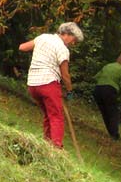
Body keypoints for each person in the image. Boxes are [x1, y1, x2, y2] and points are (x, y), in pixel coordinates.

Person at [19, 21, 83, 149]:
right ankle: (56, 148)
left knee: (48, 115)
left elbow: (22, 47)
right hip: (48, 84)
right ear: (66, 34)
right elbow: (65, 75)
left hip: (33, 84)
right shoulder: (62, 49)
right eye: (74, 40)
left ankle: (47, 144)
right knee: (57, 116)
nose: (73, 44)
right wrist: (70, 90)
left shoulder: (42, 37)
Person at [92, 52, 121, 140]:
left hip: (98, 90)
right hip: (109, 91)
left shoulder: (109, 66)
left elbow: (96, 77)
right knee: (113, 113)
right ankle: (115, 136)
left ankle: (112, 134)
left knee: (105, 113)